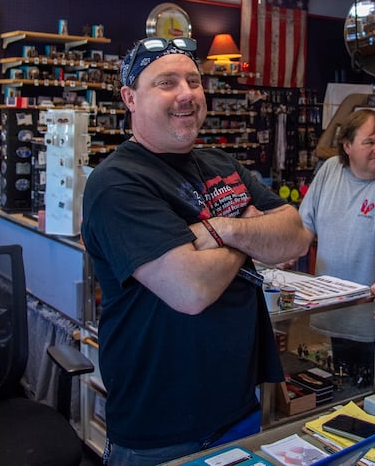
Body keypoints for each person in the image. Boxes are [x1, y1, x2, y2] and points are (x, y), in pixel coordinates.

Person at [81, 36, 310, 466]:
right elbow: (191, 289)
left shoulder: (222, 165)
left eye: (193, 80)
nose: (186, 94)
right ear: (130, 98)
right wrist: (250, 233)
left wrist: (221, 229)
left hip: (240, 404)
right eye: (166, 82)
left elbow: (296, 236)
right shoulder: (117, 183)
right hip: (163, 427)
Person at [296, 109, 375, 391]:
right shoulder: (329, 170)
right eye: (371, 142)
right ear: (347, 145)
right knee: (344, 399)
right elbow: (304, 227)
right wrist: (283, 253)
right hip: (337, 311)